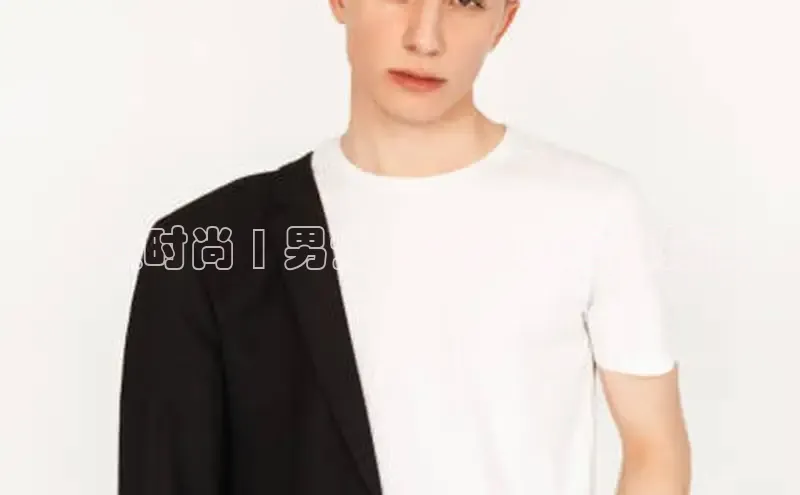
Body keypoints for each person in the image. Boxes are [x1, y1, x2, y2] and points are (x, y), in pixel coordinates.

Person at [118, 0, 691, 494]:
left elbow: (655, 448)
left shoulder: (593, 209)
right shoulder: (209, 243)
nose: (425, 38)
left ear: (505, 19)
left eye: (465, 1)